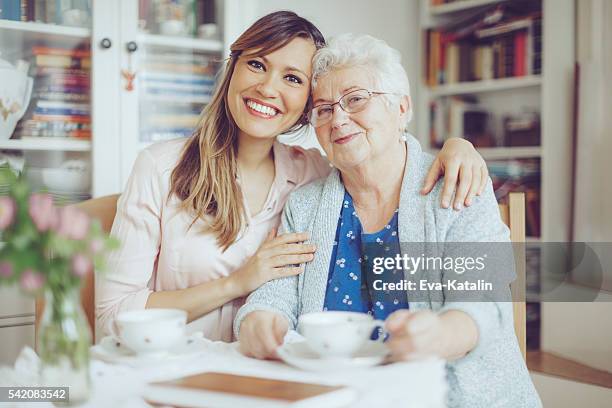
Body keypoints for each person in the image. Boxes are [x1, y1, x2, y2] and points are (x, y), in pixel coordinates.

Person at [96, 11, 489, 342]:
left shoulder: (315, 177)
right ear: (233, 68)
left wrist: (459, 146)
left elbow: (378, 149)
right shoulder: (161, 167)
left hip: (268, 379)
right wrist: (238, 282)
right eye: (257, 64)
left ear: (305, 105)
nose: (267, 88)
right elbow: (111, 316)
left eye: (293, 78)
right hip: (177, 366)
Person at [235, 34, 541, 407]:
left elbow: (485, 304)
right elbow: (275, 294)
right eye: (325, 109)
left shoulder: (458, 185)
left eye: (356, 99)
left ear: (401, 107)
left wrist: (440, 334)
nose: (339, 119)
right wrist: (258, 320)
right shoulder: (305, 204)